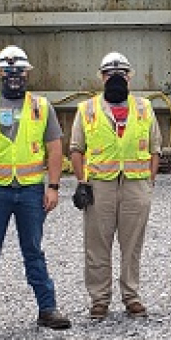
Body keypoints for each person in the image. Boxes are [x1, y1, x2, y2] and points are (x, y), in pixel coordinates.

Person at [0, 45, 71, 336]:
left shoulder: (41, 106)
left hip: (31, 191)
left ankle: (47, 309)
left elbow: (55, 148)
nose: (14, 76)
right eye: (8, 71)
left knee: (33, 251)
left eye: (19, 71)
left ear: (28, 74)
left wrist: (54, 187)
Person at [69, 52, 162, 320]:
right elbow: (76, 149)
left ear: (130, 77)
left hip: (135, 185)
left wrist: (149, 181)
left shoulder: (145, 108)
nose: (116, 77)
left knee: (132, 245)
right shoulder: (86, 110)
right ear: (101, 77)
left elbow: (155, 148)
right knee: (97, 245)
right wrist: (82, 182)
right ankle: (100, 299)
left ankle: (131, 296)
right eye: (110, 73)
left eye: (121, 72)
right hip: (100, 186)